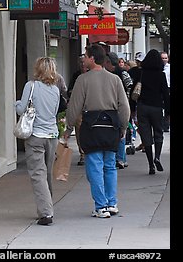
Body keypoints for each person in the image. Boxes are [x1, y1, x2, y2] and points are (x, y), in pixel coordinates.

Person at [64, 44, 130, 218]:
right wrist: (123, 127)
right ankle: (111, 202)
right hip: (111, 127)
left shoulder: (83, 80)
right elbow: (124, 106)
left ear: (92, 58)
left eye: (85, 56)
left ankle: (100, 206)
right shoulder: (115, 79)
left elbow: (74, 107)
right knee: (110, 166)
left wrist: (68, 128)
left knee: (94, 167)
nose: (83, 59)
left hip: (92, 128)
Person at [15, 57, 59, 226]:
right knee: (46, 173)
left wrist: (17, 103)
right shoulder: (55, 90)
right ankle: (47, 206)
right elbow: (54, 112)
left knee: (37, 174)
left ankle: (46, 212)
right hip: (51, 135)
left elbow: (22, 109)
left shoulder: (30, 86)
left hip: (36, 135)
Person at [132, 49, 170, 175]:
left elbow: (133, 91)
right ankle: (157, 157)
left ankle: (150, 165)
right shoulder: (161, 75)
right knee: (158, 133)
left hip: (142, 107)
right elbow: (166, 94)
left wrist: (132, 109)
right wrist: (168, 112)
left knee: (146, 135)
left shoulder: (140, 73)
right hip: (157, 107)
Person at [105, 51, 132, 169]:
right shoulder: (122, 73)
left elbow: (129, 85)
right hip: (120, 104)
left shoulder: (115, 74)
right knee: (120, 131)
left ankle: (120, 158)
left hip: (115, 106)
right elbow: (130, 85)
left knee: (120, 131)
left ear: (109, 62)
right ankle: (121, 158)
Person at [67, 55, 88, 165]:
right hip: (79, 107)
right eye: (80, 62)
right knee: (79, 129)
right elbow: (69, 90)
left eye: (84, 62)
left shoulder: (91, 74)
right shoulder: (76, 75)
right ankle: (82, 153)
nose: (82, 64)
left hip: (90, 106)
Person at [160, 51, 170, 132]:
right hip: (160, 89)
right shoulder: (157, 68)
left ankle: (166, 124)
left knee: (167, 108)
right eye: (162, 58)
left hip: (168, 88)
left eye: (165, 58)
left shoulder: (169, 68)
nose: (164, 60)